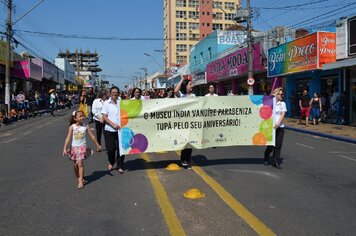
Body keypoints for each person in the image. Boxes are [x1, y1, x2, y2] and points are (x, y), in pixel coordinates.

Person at [63, 110, 101, 189]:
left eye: (82, 116)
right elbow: (68, 137)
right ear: (75, 118)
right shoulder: (72, 127)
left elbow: (92, 136)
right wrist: (64, 148)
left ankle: (80, 181)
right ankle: (78, 176)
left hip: (82, 148)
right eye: (80, 116)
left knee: (80, 163)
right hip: (74, 148)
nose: (82, 117)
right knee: (75, 164)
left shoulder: (85, 126)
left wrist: (97, 144)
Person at [102, 86, 126, 174]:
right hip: (109, 129)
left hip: (121, 130)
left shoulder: (122, 102)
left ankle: (120, 166)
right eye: (113, 93)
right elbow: (104, 116)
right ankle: (111, 162)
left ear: (118, 93)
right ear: (110, 94)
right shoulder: (106, 103)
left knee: (121, 149)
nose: (115, 94)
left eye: (116, 93)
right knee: (110, 149)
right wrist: (113, 124)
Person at [174, 75, 195, 169]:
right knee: (185, 142)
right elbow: (175, 91)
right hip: (183, 123)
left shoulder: (194, 96)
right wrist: (182, 80)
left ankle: (188, 158)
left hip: (192, 123)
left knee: (190, 142)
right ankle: (183, 160)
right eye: (190, 84)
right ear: (186, 86)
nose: (192, 86)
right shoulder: (182, 96)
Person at [264, 87, 287, 169]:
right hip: (271, 127)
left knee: (278, 145)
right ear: (276, 94)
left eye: (282, 94)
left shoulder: (282, 104)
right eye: (280, 94)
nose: (282, 95)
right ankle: (266, 158)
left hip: (280, 127)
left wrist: (278, 123)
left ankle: (275, 161)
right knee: (271, 145)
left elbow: (283, 114)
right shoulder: (270, 103)